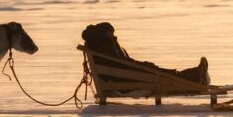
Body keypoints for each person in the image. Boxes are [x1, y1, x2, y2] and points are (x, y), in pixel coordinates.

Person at [81, 22, 209, 85]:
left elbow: (120, 63)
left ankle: (196, 74)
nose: (113, 35)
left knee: (158, 71)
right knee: (161, 74)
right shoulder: (104, 47)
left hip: (129, 72)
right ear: (104, 34)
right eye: (111, 33)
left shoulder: (102, 46)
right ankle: (196, 78)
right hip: (128, 76)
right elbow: (119, 65)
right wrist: (138, 66)